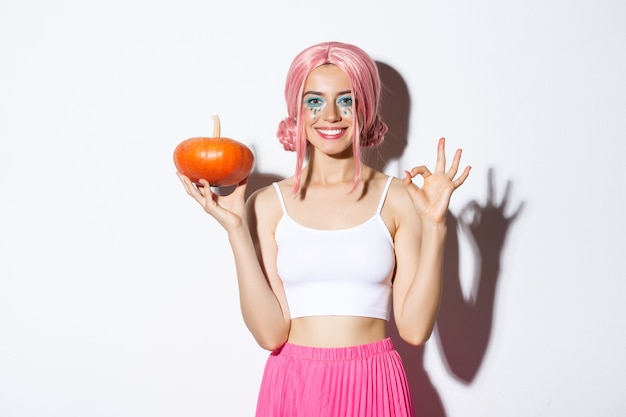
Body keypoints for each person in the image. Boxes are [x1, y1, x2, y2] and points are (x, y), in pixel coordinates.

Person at [177, 41, 470, 417]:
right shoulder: (266, 205)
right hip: (294, 385)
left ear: (365, 108)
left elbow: (414, 329)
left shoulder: (398, 199)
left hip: (374, 382)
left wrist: (435, 226)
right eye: (314, 101)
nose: (330, 115)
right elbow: (271, 334)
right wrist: (235, 230)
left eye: (346, 100)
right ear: (296, 112)